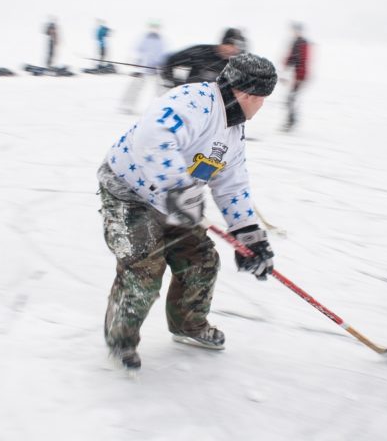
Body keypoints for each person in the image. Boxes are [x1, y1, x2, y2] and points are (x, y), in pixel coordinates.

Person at [97, 53, 278, 370]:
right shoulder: (193, 101)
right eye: (263, 100)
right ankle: (121, 340)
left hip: (178, 198)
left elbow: (232, 184)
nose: (262, 107)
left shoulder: (233, 131)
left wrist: (249, 235)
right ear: (250, 95)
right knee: (144, 269)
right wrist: (179, 190)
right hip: (130, 193)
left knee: (200, 261)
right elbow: (153, 139)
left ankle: (187, 325)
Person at [160, 28, 245, 88]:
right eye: (230, 46)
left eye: (236, 49)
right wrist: (177, 84)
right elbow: (170, 61)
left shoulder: (235, 64)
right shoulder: (201, 52)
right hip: (189, 99)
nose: (233, 51)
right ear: (223, 43)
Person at [120, 21, 167, 114]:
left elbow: (164, 53)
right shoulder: (144, 38)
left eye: (156, 27)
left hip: (157, 68)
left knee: (161, 88)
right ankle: (126, 105)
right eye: (152, 27)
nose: (154, 29)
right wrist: (136, 62)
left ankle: (163, 107)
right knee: (135, 86)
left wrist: (162, 64)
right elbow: (136, 51)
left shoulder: (162, 40)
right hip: (142, 67)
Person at [281, 22, 310, 132]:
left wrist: (299, 77)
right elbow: (291, 58)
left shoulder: (302, 43)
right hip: (297, 74)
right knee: (291, 98)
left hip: (300, 75)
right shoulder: (296, 42)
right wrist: (285, 68)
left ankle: (291, 121)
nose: (293, 32)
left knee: (290, 98)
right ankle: (291, 120)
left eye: (295, 30)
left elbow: (301, 59)